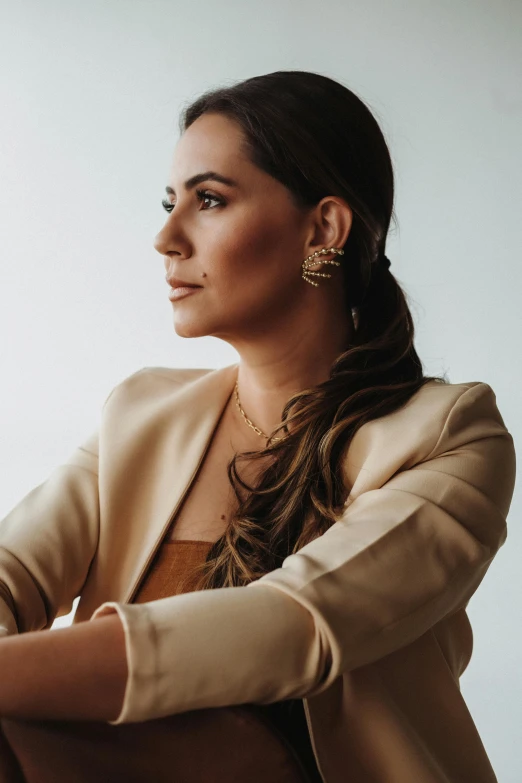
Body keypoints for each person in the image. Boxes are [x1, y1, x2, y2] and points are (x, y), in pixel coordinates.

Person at [0, 70, 516, 783]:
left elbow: (292, 626)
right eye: (169, 201)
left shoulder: (449, 436)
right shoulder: (144, 415)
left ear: (323, 227)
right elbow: (11, 570)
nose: (165, 238)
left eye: (209, 199)